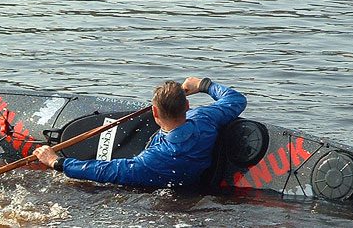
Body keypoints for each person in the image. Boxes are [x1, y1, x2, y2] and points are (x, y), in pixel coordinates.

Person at [33, 77, 246, 188]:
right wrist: (203, 84)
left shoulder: (153, 159)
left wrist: (57, 163)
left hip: (171, 185)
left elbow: (108, 171)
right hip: (196, 169)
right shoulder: (206, 118)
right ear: (188, 105)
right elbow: (236, 100)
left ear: (154, 111)